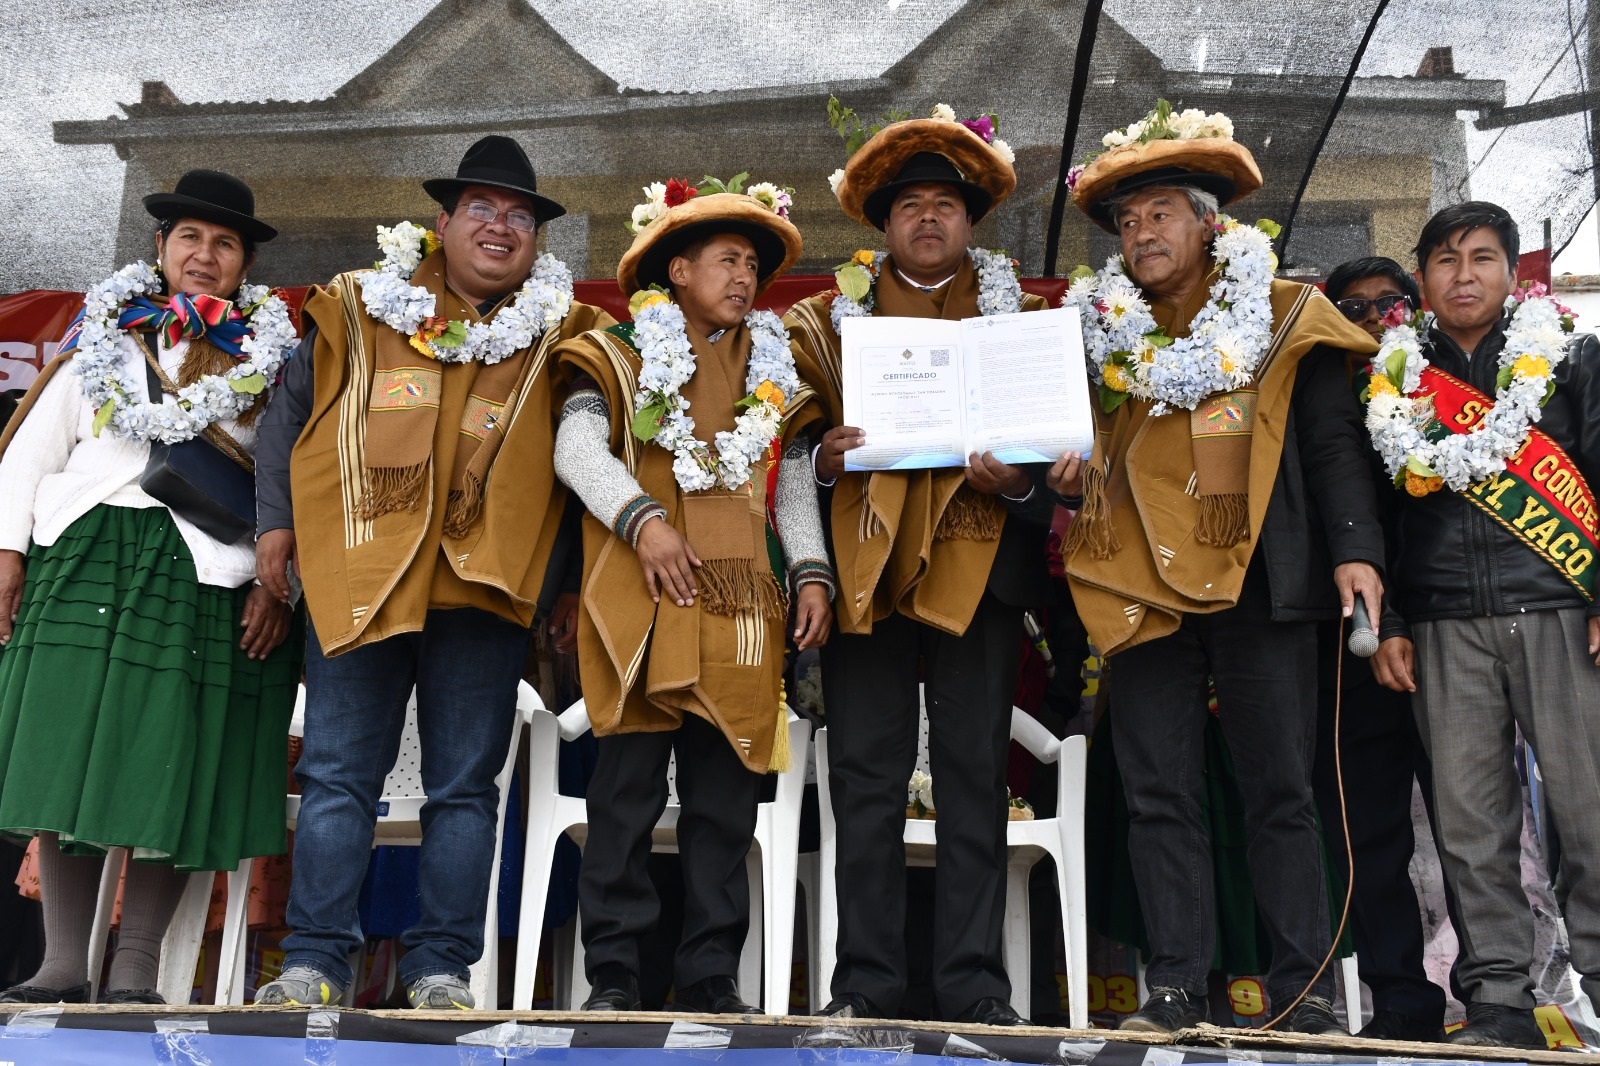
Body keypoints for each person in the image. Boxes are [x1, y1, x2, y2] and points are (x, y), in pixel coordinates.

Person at [251, 136, 613, 1010]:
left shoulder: (567, 335)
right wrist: (275, 524)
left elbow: (582, 462)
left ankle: (442, 969)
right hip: (357, 573)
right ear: (442, 224)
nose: (501, 227)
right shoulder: (358, 308)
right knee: (339, 776)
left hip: (486, 589)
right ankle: (314, 963)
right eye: (482, 211)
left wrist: (565, 582)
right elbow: (285, 416)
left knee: (463, 788)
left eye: (520, 216)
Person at [1057, 102, 1385, 1034]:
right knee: (1159, 796)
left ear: (1211, 223)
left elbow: (1331, 449)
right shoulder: (1096, 333)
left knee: (1281, 789)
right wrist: (1056, 469)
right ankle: (1171, 991)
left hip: (1261, 584)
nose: (1140, 233)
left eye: (1159, 212)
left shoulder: (1284, 315)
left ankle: (1307, 994)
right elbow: (1056, 455)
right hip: (1140, 587)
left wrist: (1357, 551)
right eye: (1126, 221)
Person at [0, 170, 299, 1004]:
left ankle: (134, 971)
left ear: (244, 264)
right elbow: (31, 451)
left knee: (176, 764)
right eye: (190, 239)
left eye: (225, 243)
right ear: (162, 250)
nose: (205, 256)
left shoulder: (274, 360)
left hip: (208, 574)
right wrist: (6, 551)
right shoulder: (102, 338)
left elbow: (292, 486)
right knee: (69, 755)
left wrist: (276, 586)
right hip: (86, 554)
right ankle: (63, 962)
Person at [786, 103, 1053, 1026]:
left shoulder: (1020, 321)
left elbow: (1054, 474)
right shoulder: (824, 326)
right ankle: (864, 987)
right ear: (882, 225)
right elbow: (784, 447)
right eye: (911, 207)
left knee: (977, 780)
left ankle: (976, 990)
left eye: (947, 204)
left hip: (978, 580)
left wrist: (1016, 482)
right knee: (863, 783)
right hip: (865, 582)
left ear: (972, 223)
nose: (929, 219)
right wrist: (824, 459)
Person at [552, 175, 835, 1014]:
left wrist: (811, 569)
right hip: (646, 599)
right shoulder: (618, 348)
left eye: (753, 263)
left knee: (723, 805)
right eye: (726, 260)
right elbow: (575, 451)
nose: (744, 278)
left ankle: (711, 979)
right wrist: (641, 521)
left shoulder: (774, 362)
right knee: (626, 801)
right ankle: (613, 978)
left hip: (744, 609)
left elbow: (785, 478)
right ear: (676, 270)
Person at [1368, 201, 1600, 1048]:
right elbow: (1378, 515)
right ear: (1423, 279)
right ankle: (1499, 1001)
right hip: (1441, 623)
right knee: (1470, 825)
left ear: (1512, 273)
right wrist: (1389, 619)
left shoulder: (1570, 357)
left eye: (1482, 258)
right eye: (1446, 260)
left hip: (1561, 609)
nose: (1464, 274)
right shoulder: (1394, 374)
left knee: (1591, 811)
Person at [1309, 256, 1447, 1042]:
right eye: (1351, 306)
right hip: (1352, 650)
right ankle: (1402, 1003)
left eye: (1389, 304)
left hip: (1447, 637)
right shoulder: (1316, 394)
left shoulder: (1449, 397)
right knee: (1371, 837)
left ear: (1414, 310)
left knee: (1473, 832)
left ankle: (1500, 995)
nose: (1370, 318)